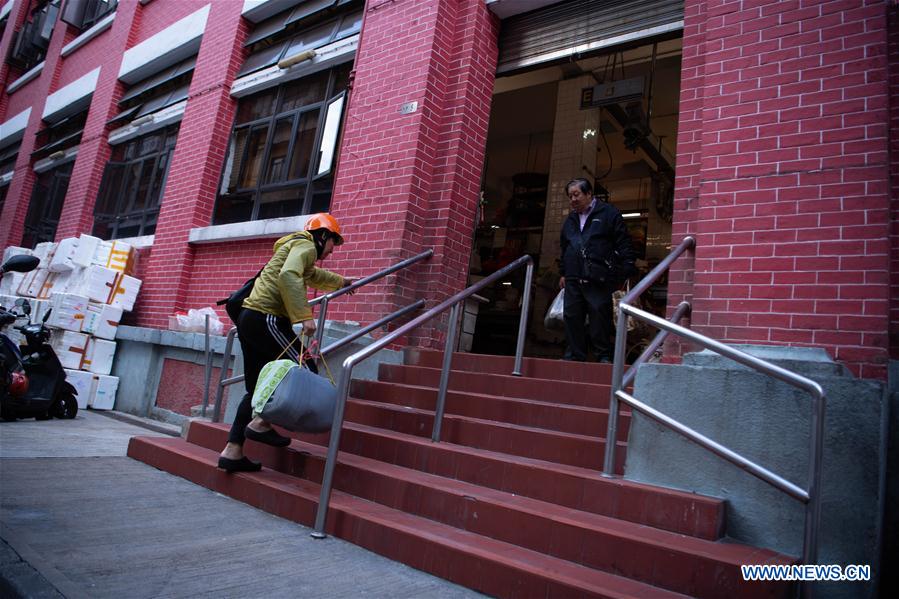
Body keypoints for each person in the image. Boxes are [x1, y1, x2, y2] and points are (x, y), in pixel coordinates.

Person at [218, 213, 354, 473]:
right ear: (322, 235)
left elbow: (312, 276)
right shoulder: (304, 244)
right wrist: (304, 317)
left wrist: (341, 282)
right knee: (305, 368)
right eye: (333, 243)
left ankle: (232, 450)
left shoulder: (295, 248)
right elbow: (289, 276)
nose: (333, 250)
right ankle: (259, 423)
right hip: (267, 318)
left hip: (250, 318)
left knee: (258, 387)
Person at [558, 178, 635, 363]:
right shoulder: (570, 220)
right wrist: (563, 272)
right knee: (572, 316)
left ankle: (603, 356)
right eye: (570, 196)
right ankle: (575, 356)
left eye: (576, 194)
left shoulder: (608, 213)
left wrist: (627, 269)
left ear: (589, 194)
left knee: (599, 317)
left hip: (599, 276)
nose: (573, 200)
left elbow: (623, 242)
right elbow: (565, 247)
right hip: (573, 276)